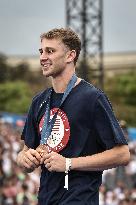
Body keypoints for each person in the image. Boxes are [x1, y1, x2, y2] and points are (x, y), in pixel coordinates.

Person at [17, 28, 130, 205]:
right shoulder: (39, 101)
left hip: (79, 199)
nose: (42, 57)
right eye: (41, 51)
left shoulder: (92, 98)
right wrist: (24, 159)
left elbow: (122, 154)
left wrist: (69, 163)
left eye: (50, 51)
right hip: (46, 198)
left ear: (70, 56)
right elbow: (25, 151)